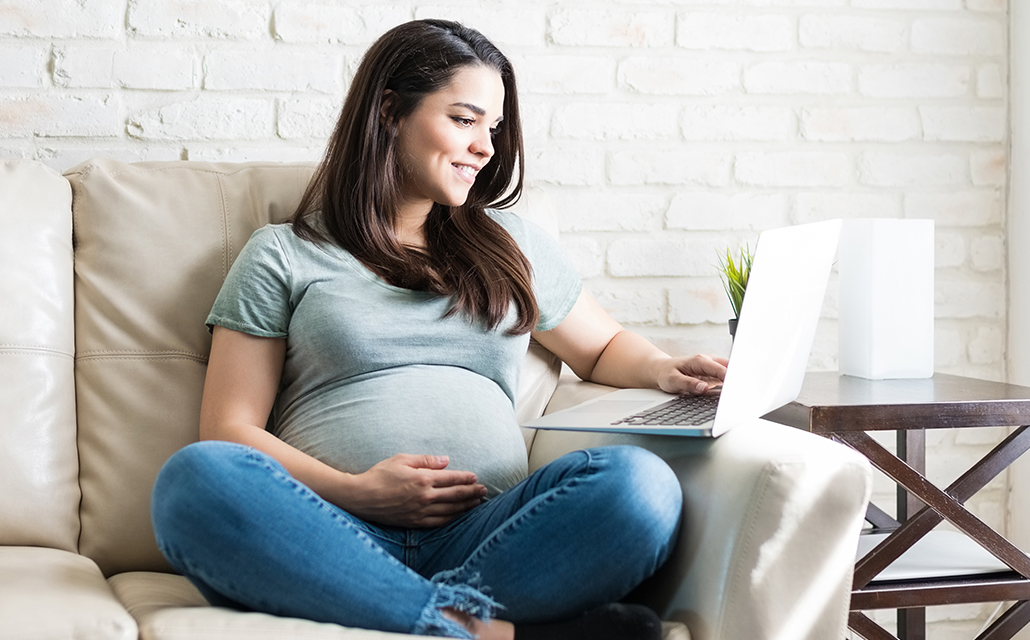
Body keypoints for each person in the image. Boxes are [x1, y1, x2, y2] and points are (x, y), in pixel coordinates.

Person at [149, 19, 729, 640]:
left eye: (494, 127)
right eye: (464, 119)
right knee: (197, 480)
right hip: (329, 526)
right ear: (390, 112)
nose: (486, 146)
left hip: (489, 532)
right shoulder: (284, 253)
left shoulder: (512, 248)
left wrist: (663, 367)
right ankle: (486, 631)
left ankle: (405, 613)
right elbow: (229, 428)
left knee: (639, 489)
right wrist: (359, 492)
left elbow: (604, 347)